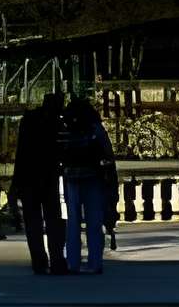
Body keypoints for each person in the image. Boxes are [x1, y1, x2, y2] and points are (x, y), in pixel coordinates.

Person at [60, 95, 117, 276]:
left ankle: (73, 262)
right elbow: (107, 154)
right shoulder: (95, 128)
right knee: (94, 222)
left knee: (73, 223)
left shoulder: (66, 128)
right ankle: (95, 263)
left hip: (71, 178)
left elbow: (60, 153)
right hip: (93, 177)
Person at [11, 93, 67, 277]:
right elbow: (60, 152)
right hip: (47, 177)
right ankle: (57, 259)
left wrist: (16, 181)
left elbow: (21, 152)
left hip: (29, 177)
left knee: (33, 222)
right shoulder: (55, 124)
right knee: (53, 220)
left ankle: (39, 261)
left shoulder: (30, 120)